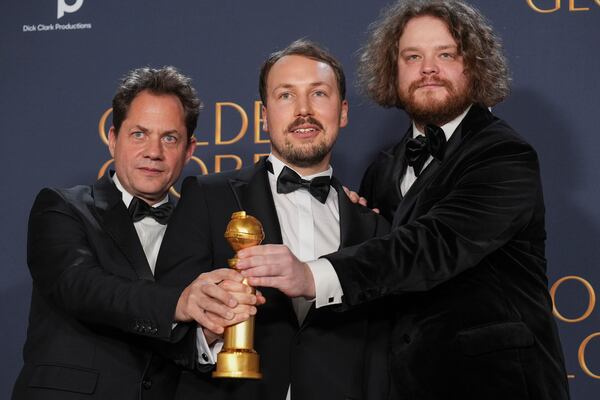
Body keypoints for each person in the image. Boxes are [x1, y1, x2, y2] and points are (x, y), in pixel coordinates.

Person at [235, 1, 570, 399]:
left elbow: (433, 245)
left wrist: (313, 275)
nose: (428, 68)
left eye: (445, 54)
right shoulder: (382, 170)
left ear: (475, 65)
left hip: (495, 384)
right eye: (413, 57)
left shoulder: (503, 155)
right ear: (393, 71)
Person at [13, 66, 260, 400]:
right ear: (113, 138)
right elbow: (81, 286)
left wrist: (212, 329)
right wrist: (179, 302)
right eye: (139, 134)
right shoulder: (62, 206)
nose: (153, 152)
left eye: (169, 138)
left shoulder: (197, 229)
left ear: (189, 150)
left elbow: (182, 343)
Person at [163, 40, 390, 400]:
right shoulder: (208, 197)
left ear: (343, 112)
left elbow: (381, 355)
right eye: (286, 96)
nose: (303, 110)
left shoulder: (375, 228)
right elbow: (166, 325)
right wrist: (208, 330)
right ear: (264, 115)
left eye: (319, 94)